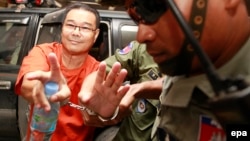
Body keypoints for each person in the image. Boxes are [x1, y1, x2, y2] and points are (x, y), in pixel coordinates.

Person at [80, 0, 250, 140]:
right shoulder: (188, 57)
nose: (141, 35)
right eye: (135, 16)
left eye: (153, 7)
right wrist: (92, 97)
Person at [15, 2, 129, 141]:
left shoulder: (98, 72)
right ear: (62, 28)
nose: (76, 32)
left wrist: (105, 115)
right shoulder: (44, 53)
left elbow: (101, 116)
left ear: (95, 35)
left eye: (85, 28)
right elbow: (28, 85)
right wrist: (46, 91)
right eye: (70, 25)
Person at [94, 40, 162, 141]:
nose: (141, 35)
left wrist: (140, 89)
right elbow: (101, 71)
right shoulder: (144, 48)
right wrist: (89, 90)